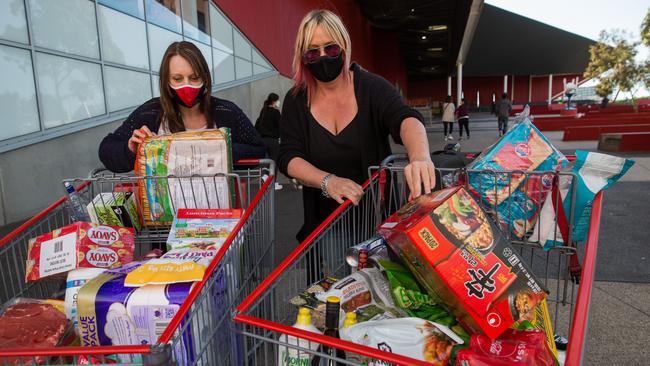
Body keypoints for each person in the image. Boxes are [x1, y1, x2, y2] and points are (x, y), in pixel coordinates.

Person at [278, 9, 436, 245]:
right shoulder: (296, 99)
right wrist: (328, 181)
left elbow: (405, 118)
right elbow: (289, 155)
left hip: (379, 218)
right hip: (328, 223)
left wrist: (420, 156)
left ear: (343, 46)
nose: (323, 57)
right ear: (303, 57)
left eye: (330, 48)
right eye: (312, 52)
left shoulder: (371, 87)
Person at [98, 41, 265, 173]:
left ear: (205, 78)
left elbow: (259, 150)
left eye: (194, 78)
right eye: (177, 79)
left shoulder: (227, 112)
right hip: (165, 213)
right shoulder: (150, 113)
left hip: (217, 213)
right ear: (166, 81)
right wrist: (130, 149)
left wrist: (222, 149)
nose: (187, 85)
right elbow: (107, 149)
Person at [256, 92, 283, 190]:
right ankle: (273, 183)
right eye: (277, 100)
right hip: (273, 141)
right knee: (273, 162)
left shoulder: (263, 111)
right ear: (274, 101)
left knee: (266, 161)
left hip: (263, 141)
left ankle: (264, 177)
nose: (279, 102)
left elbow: (257, 126)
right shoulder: (276, 112)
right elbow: (281, 127)